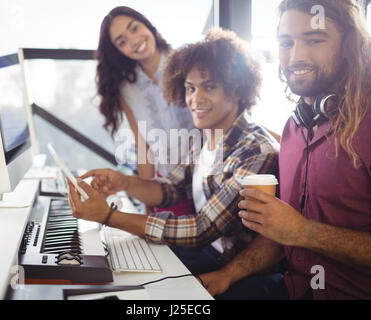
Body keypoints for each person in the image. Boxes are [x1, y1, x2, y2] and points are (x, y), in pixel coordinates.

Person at [198, 0, 371, 300]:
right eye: (286, 42)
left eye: (314, 40)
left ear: (349, 47)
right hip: (294, 289)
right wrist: (229, 275)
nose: (296, 55)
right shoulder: (295, 127)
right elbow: (284, 231)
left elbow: (298, 230)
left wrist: (306, 232)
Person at [68, 28, 279, 275]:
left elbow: (202, 229)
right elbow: (171, 188)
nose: (195, 99)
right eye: (190, 88)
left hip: (226, 264)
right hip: (203, 251)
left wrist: (108, 216)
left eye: (209, 87)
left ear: (237, 90)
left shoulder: (255, 150)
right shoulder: (203, 136)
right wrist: (123, 181)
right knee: (113, 267)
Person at [95, 6, 195, 215]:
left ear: (147, 25)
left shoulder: (188, 62)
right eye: (122, 41)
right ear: (118, 51)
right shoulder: (126, 89)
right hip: (167, 186)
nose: (133, 41)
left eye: (134, 28)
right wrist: (147, 203)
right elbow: (144, 147)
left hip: (207, 176)